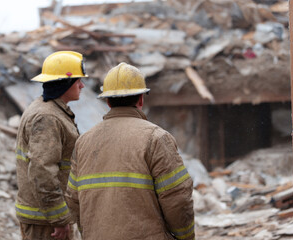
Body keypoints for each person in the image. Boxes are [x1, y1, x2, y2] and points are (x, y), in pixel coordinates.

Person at [66, 62, 195, 240]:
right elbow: (177, 199)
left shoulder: (83, 142)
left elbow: (73, 201)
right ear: (141, 99)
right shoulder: (156, 138)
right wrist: (186, 236)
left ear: (108, 101)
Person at [15, 51, 87, 240]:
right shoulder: (48, 117)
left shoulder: (51, 110)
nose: (82, 85)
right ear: (64, 84)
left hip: (46, 217)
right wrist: (58, 218)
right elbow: (42, 171)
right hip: (46, 222)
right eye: (78, 80)